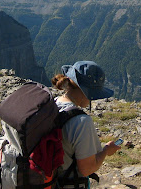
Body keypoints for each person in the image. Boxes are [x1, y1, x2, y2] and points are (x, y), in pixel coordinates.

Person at [51, 60, 121, 188]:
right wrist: (105, 151)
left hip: (47, 181)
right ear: (86, 91)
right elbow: (87, 169)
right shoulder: (81, 122)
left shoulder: (53, 104)